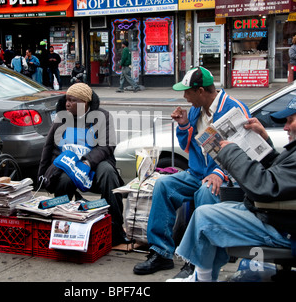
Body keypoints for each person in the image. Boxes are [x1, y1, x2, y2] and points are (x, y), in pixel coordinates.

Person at [169, 92, 296, 282]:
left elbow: (264, 187)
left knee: (204, 217)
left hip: (285, 226)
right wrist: (265, 142)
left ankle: (202, 278)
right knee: (212, 210)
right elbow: (284, 176)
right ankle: (202, 275)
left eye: (291, 120)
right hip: (288, 218)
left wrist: (230, 152)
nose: (286, 127)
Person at [133, 66, 251, 275]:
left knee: (206, 191)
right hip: (197, 173)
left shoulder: (234, 110)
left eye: (187, 92)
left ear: (201, 91)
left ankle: (198, 260)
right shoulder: (197, 110)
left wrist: (220, 173)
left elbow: (244, 152)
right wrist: (184, 125)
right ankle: (161, 252)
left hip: (225, 177)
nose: (185, 97)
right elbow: (190, 146)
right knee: (163, 184)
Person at [37, 83, 129, 246]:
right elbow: (49, 146)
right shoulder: (61, 118)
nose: (67, 104)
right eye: (66, 100)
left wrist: (87, 161)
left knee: (108, 173)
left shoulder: (103, 117)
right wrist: (43, 174)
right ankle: (62, 227)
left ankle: (115, 228)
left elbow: (107, 145)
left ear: (84, 102)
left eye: (72, 100)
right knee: (64, 180)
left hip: (94, 163)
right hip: (67, 164)